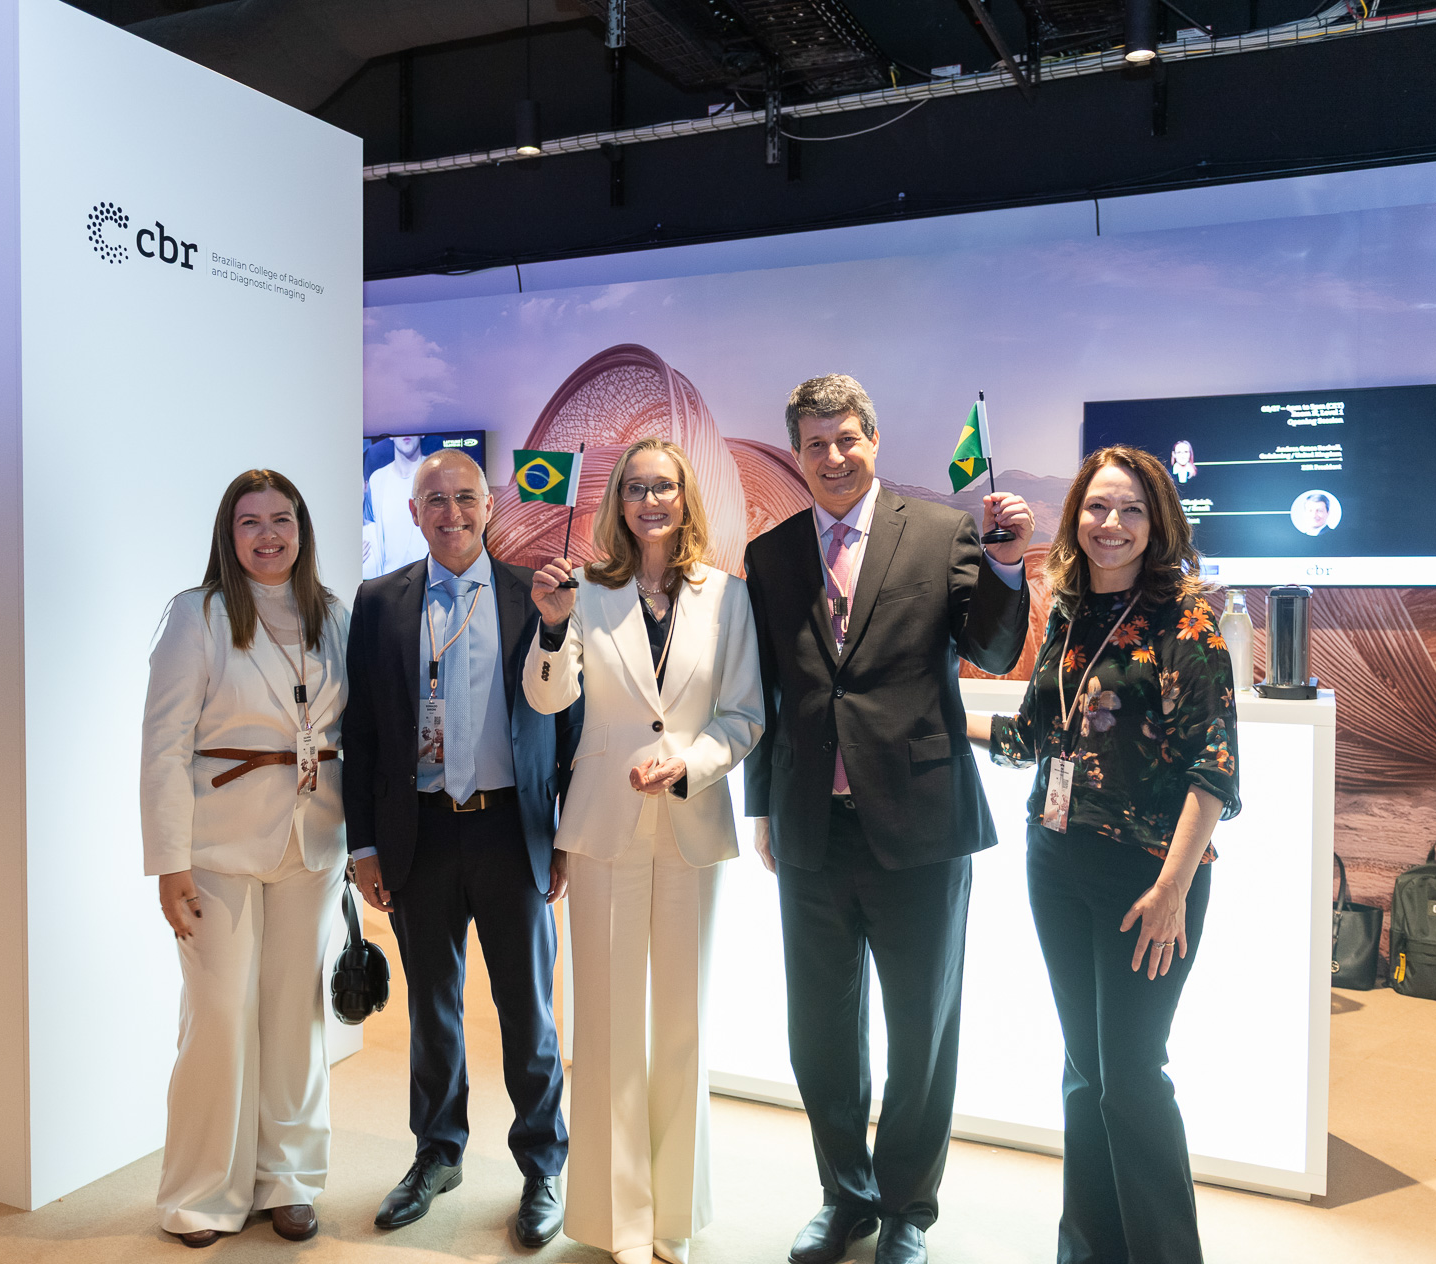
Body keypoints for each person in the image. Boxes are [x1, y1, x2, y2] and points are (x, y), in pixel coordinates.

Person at [743, 374, 1034, 1264]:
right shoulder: (770, 555)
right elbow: (767, 693)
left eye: (847, 439)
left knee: (921, 1030)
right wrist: (762, 807)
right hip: (811, 828)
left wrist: (1008, 566)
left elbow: (992, 650)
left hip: (921, 827)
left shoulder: (941, 532)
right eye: (815, 444)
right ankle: (846, 1197)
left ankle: (909, 1207)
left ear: (873, 439)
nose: (832, 457)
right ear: (797, 454)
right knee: (819, 1033)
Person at [969, 444, 1239, 1264]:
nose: (1111, 523)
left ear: (1157, 523)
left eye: (1129, 509)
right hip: (1056, 863)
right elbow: (1035, 735)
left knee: (1130, 1075)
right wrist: (938, 720)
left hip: (1146, 879)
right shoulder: (1069, 613)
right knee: (1085, 1071)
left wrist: (1172, 889)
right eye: (1096, 506)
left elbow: (1214, 771)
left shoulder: (1187, 622)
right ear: (1075, 518)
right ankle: (1087, 1250)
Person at [524, 438, 764, 1264]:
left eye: (664, 486)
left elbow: (743, 714)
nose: (650, 501)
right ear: (616, 501)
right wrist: (551, 628)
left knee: (682, 1024)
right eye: (635, 488)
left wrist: (690, 762)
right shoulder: (584, 591)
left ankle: (671, 1219)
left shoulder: (727, 596)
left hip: (690, 821)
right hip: (604, 825)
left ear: (685, 496)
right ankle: (619, 1219)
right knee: (608, 1023)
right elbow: (548, 697)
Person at [341, 448, 573, 1249]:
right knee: (432, 1010)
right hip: (421, 832)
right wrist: (362, 846)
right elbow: (362, 732)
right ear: (413, 514)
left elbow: (568, 725)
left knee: (527, 1012)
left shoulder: (535, 594)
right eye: (434, 501)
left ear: (490, 504)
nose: (452, 513)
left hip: (512, 830)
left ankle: (542, 1166)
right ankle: (437, 1154)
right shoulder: (379, 602)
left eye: (465, 497)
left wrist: (566, 835)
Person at [140, 469, 351, 1248]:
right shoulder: (195, 615)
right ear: (228, 536)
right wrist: (169, 861)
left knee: (296, 1014)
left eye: (282, 520)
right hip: (215, 846)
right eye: (250, 522)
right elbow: (163, 745)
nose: (268, 535)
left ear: (302, 530)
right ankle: (202, 1191)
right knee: (219, 1015)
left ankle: (288, 1179)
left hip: (313, 840)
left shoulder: (333, 615)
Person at [363, 434, 430, 576]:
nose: (406, 433)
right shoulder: (377, 479)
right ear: (391, 436)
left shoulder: (436, 474)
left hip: (429, 580)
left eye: (411, 425)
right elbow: (369, 530)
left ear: (422, 433)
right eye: (400, 426)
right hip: (388, 582)